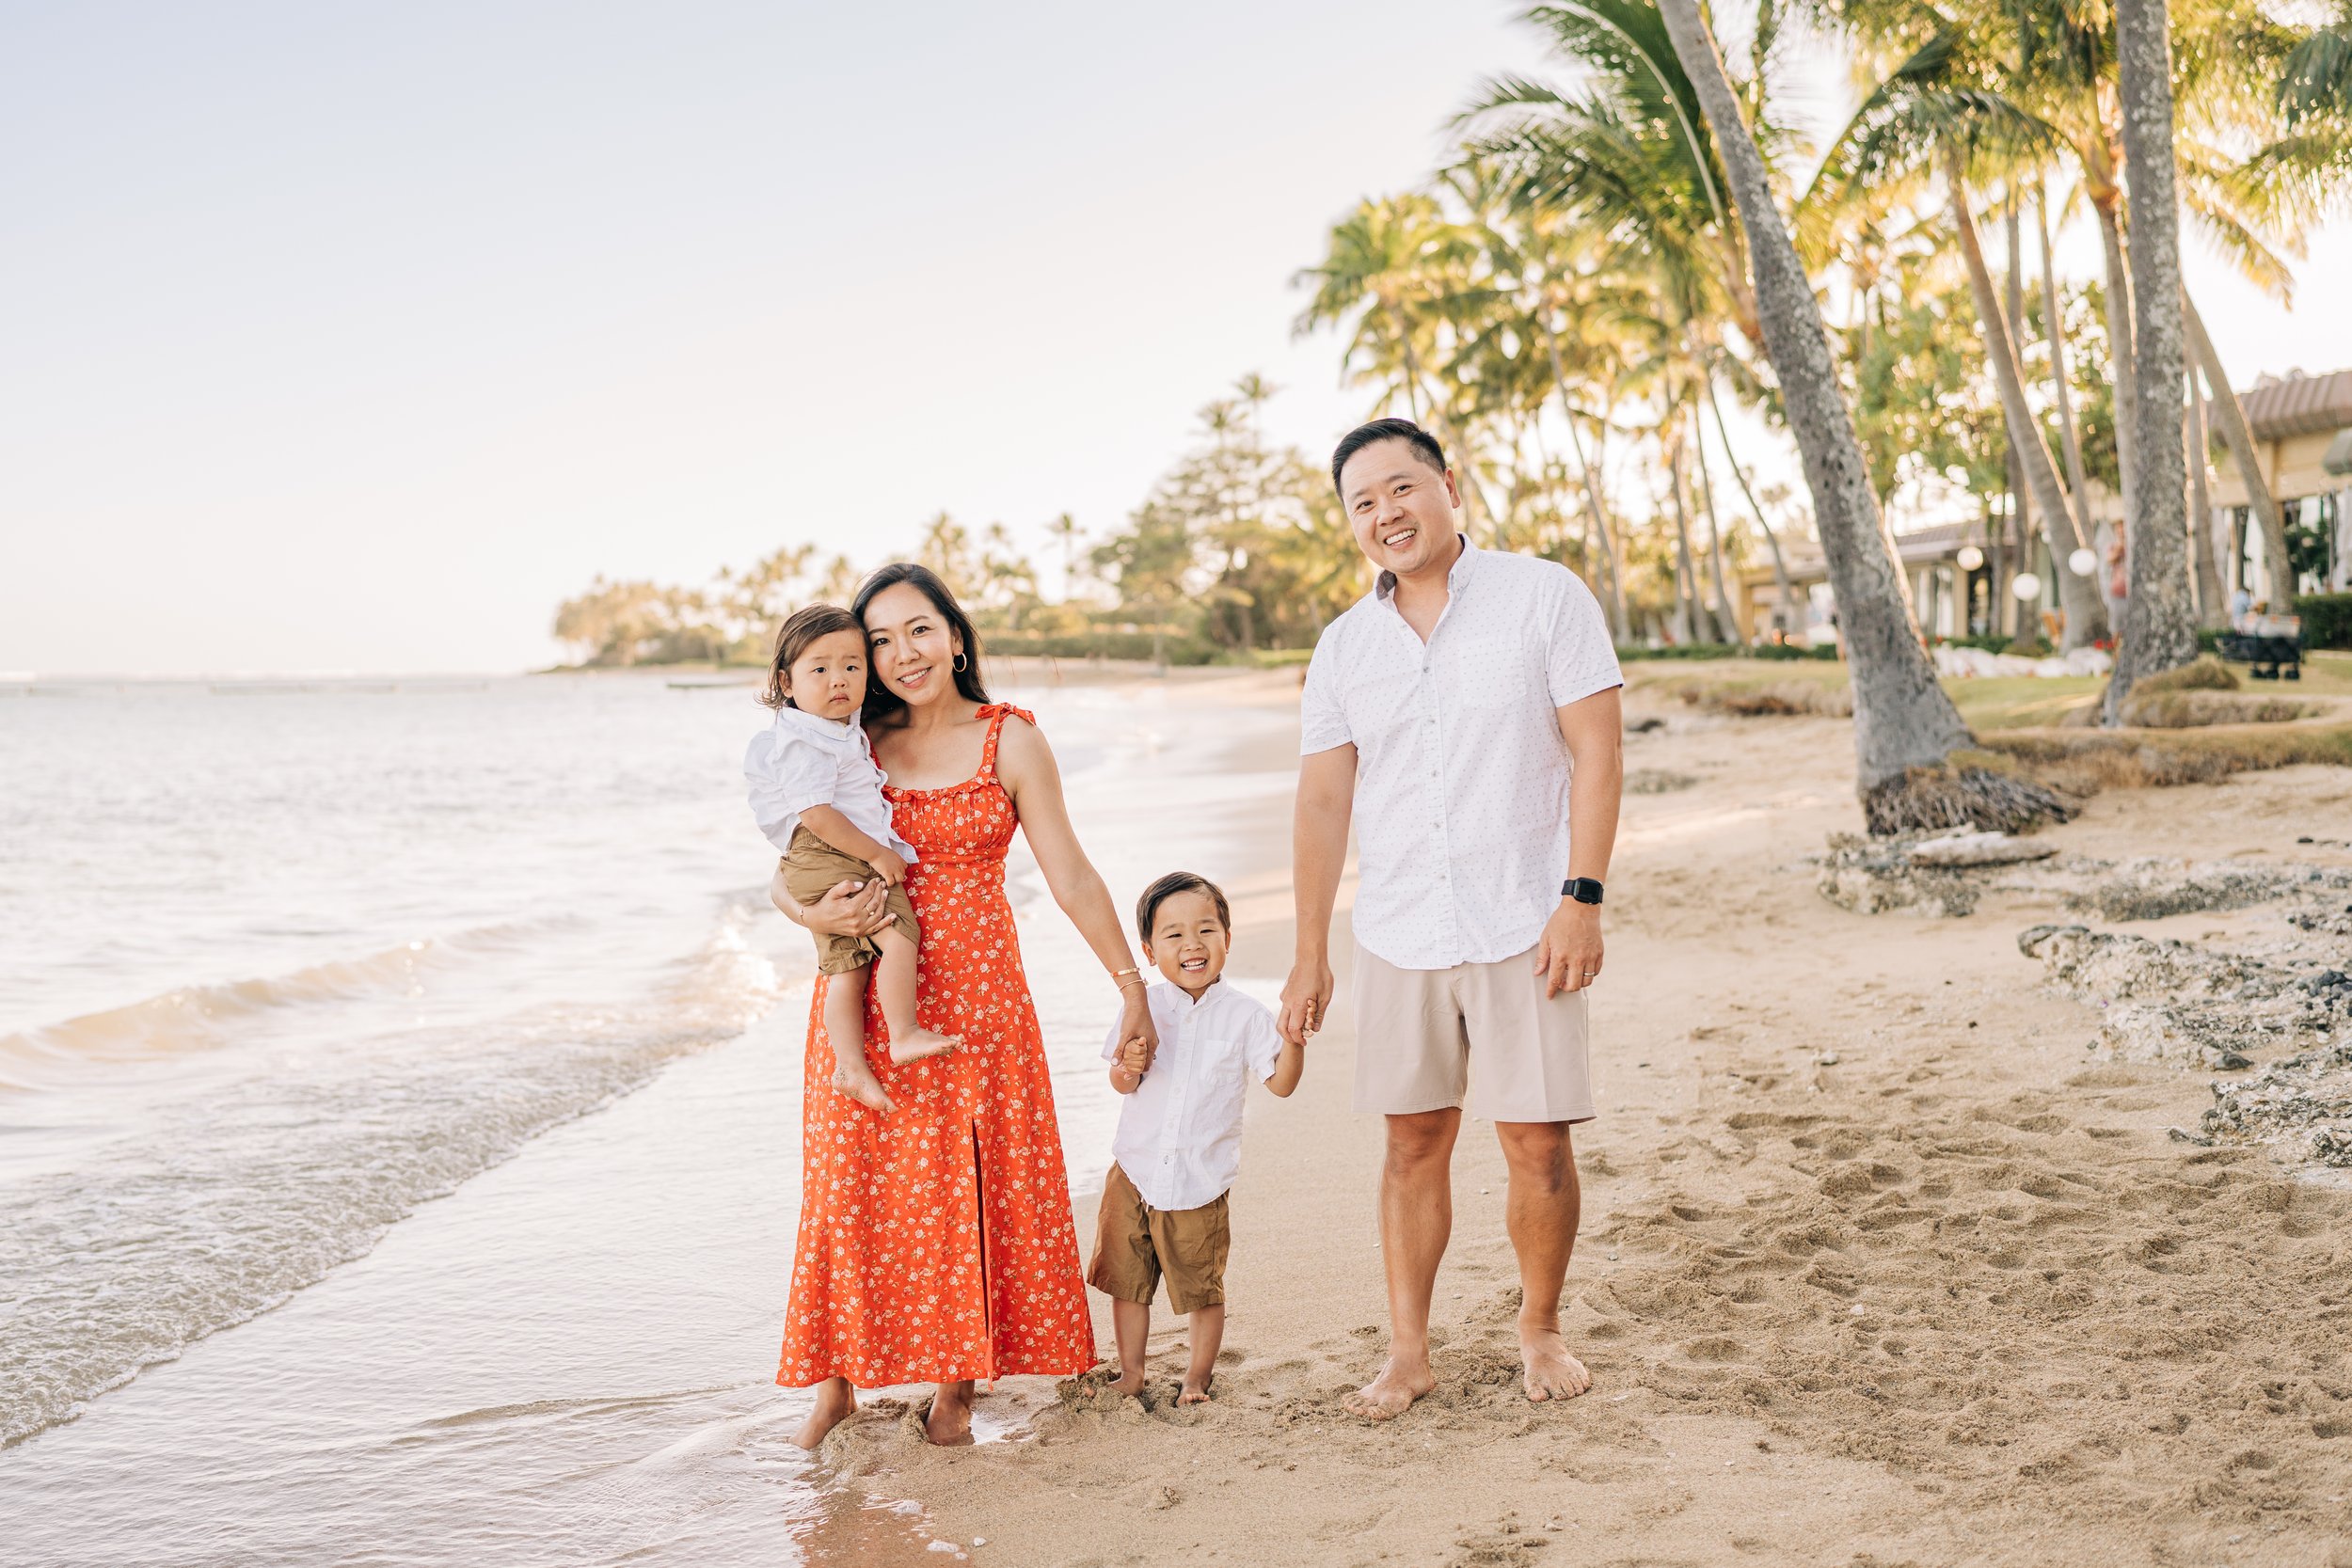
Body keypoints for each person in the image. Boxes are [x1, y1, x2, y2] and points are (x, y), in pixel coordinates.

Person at [768, 562, 1158, 1449]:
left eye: (918, 630)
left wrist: (1131, 985)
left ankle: (957, 1385)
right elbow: (786, 869)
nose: (899, 654)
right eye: (876, 640)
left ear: (955, 635)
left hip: (978, 998)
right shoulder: (846, 738)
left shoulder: (1008, 738)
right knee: (845, 1186)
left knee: (967, 1189)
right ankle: (833, 1388)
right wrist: (808, 911)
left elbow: (1071, 873)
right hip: (865, 995)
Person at [1279, 418, 1625, 1421]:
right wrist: (1308, 953)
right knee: (1409, 1141)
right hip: (1398, 925)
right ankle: (1408, 1351)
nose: (1385, 513)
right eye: (1363, 501)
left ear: (1447, 486)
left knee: (1537, 1141)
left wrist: (1582, 895)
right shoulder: (1344, 646)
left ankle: (1540, 1327)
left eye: (1401, 488)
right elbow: (1320, 803)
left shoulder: (1543, 596)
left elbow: (1596, 753)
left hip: (1528, 915)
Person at [1088, 872, 1303, 1406]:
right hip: (1133, 1170)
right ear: (1148, 949)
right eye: (1174, 935)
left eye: (1206, 930)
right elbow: (1121, 1082)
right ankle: (1132, 1373)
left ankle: (1197, 1377)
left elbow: (1281, 1083)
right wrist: (1128, 1066)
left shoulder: (1246, 1017)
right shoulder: (1144, 1007)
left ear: (1228, 938)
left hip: (1199, 1179)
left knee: (1201, 1286)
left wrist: (1294, 1038)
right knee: (1127, 1280)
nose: (1192, 945)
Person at [744, 603, 958, 1115]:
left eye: (852, 666)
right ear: (786, 681)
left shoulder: (835, 726)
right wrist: (877, 854)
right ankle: (902, 1032)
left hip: (818, 854)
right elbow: (817, 815)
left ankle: (850, 1068)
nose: (838, 680)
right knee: (899, 935)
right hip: (830, 847)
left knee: (847, 971)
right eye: (820, 669)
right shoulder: (807, 740)